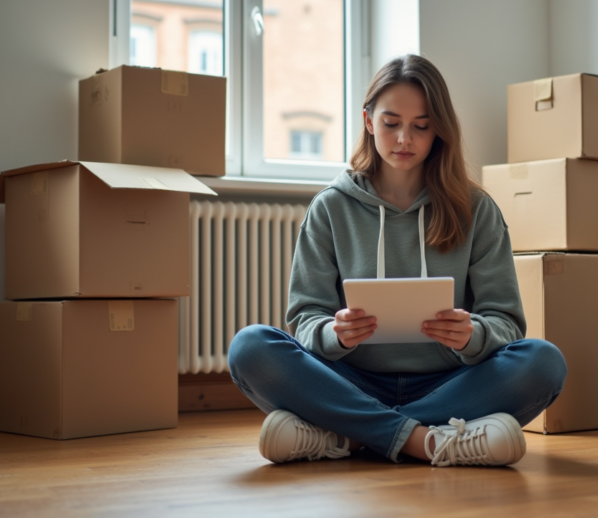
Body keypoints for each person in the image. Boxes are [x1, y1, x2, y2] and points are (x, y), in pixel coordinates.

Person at [228, 55, 567, 467]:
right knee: (250, 347)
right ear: (369, 121)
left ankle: (347, 436)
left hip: (450, 383)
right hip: (350, 381)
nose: (405, 138)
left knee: (543, 362)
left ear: (438, 129)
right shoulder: (330, 208)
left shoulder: (476, 209)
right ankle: (428, 441)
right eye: (391, 123)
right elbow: (304, 317)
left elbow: (507, 322)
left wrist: (472, 335)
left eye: (421, 126)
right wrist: (335, 333)